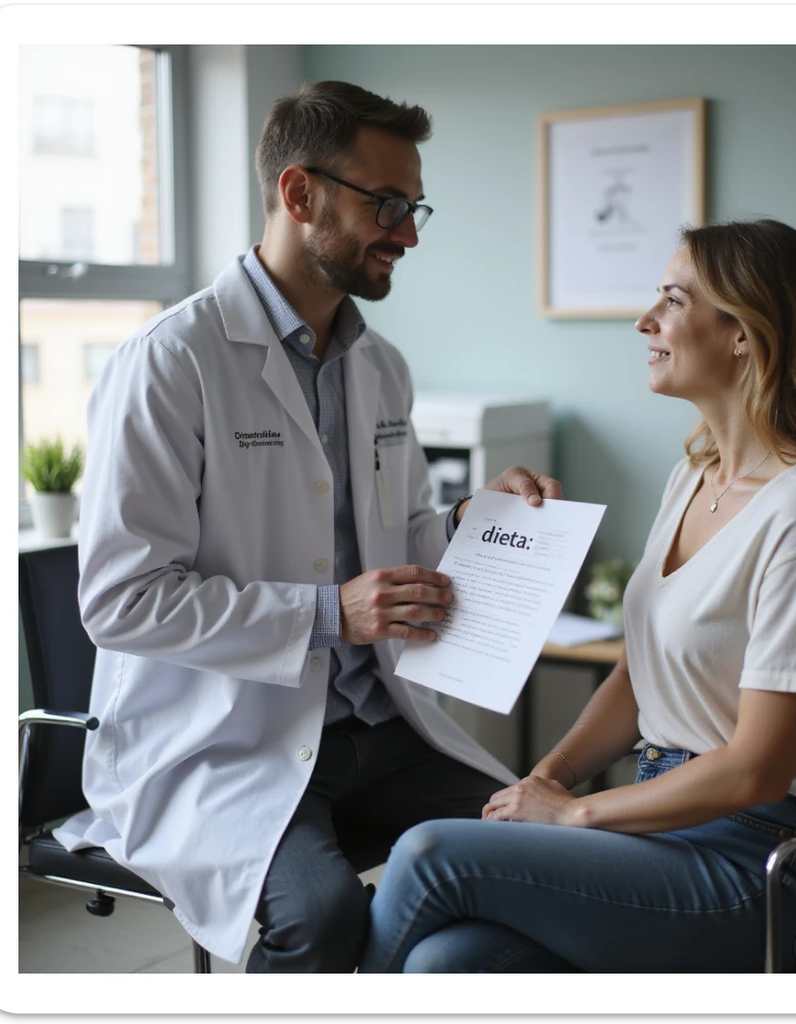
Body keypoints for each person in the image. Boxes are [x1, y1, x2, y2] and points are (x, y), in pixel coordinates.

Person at [52, 80, 560, 973]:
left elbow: (394, 541)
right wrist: (333, 614)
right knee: (322, 918)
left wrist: (469, 523)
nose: (406, 232)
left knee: (538, 848)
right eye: (388, 204)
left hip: (380, 728)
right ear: (300, 194)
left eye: (415, 207)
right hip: (223, 742)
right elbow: (121, 603)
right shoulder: (171, 363)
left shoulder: (381, 367)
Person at [358, 218, 796, 974]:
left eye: (673, 300)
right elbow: (637, 674)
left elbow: (758, 769)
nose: (644, 321)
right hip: (666, 824)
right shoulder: (694, 477)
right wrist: (548, 777)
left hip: (769, 861)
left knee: (429, 854)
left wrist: (576, 812)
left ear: (744, 333)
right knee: (446, 965)